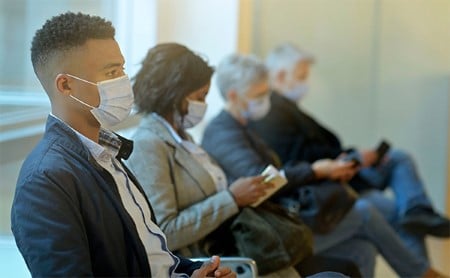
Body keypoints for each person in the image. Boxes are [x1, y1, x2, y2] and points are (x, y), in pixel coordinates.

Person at [10, 12, 235, 278]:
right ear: (66, 85)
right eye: (111, 72)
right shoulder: (45, 181)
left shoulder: (108, 155)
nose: (123, 82)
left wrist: (195, 271)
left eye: (122, 70)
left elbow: (150, 255)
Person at [201, 53, 447, 278]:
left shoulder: (242, 128)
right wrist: (317, 170)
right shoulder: (223, 132)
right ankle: (424, 274)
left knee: (362, 249)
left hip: (278, 222)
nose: (265, 100)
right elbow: (260, 180)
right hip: (264, 236)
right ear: (233, 95)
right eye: (258, 95)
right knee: (364, 212)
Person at [126, 43, 358, 278]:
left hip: (242, 247)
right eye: (199, 97)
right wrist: (232, 198)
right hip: (220, 262)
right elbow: (164, 232)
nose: (204, 104)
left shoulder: (182, 137)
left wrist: (239, 195)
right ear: (173, 95)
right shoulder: (149, 144)